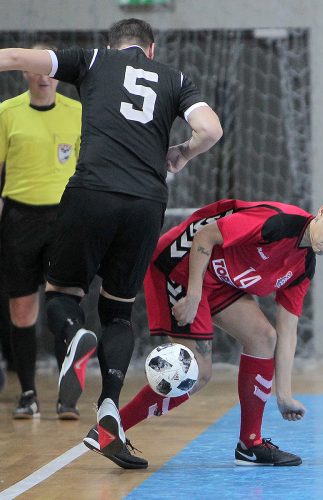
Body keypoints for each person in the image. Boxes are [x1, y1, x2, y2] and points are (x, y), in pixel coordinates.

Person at [0, 17, 222, 459]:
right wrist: (181, 153)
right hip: (145, 204)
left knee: (62, 293)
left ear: (112, 44)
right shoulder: (176, 78)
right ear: (151, 49)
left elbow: (12, 58)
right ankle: (108, 415)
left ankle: (73, 333)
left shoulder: (92, 60)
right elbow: (211, 130)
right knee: (119, 312)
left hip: (92, 193)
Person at [83, 193, 323, 469]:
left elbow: (287, 332)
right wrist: (194, 296)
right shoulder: (278, 223)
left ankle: (250, 445)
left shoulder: (302, 266)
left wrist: (284, 395)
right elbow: (206, 236)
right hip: (180, 265)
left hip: (219, 281)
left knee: (264, 337)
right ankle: (108, 431)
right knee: (197, 373)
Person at [0, 43, 82, 418]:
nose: (43, 76)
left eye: (49, 68)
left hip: (64, 218)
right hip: (19, 219)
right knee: (22, 308)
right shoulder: (6, 113)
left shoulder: (79, 113)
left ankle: (68, 397)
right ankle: (28, 393)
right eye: (35, 68)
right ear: (26, 73)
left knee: (63, 305)